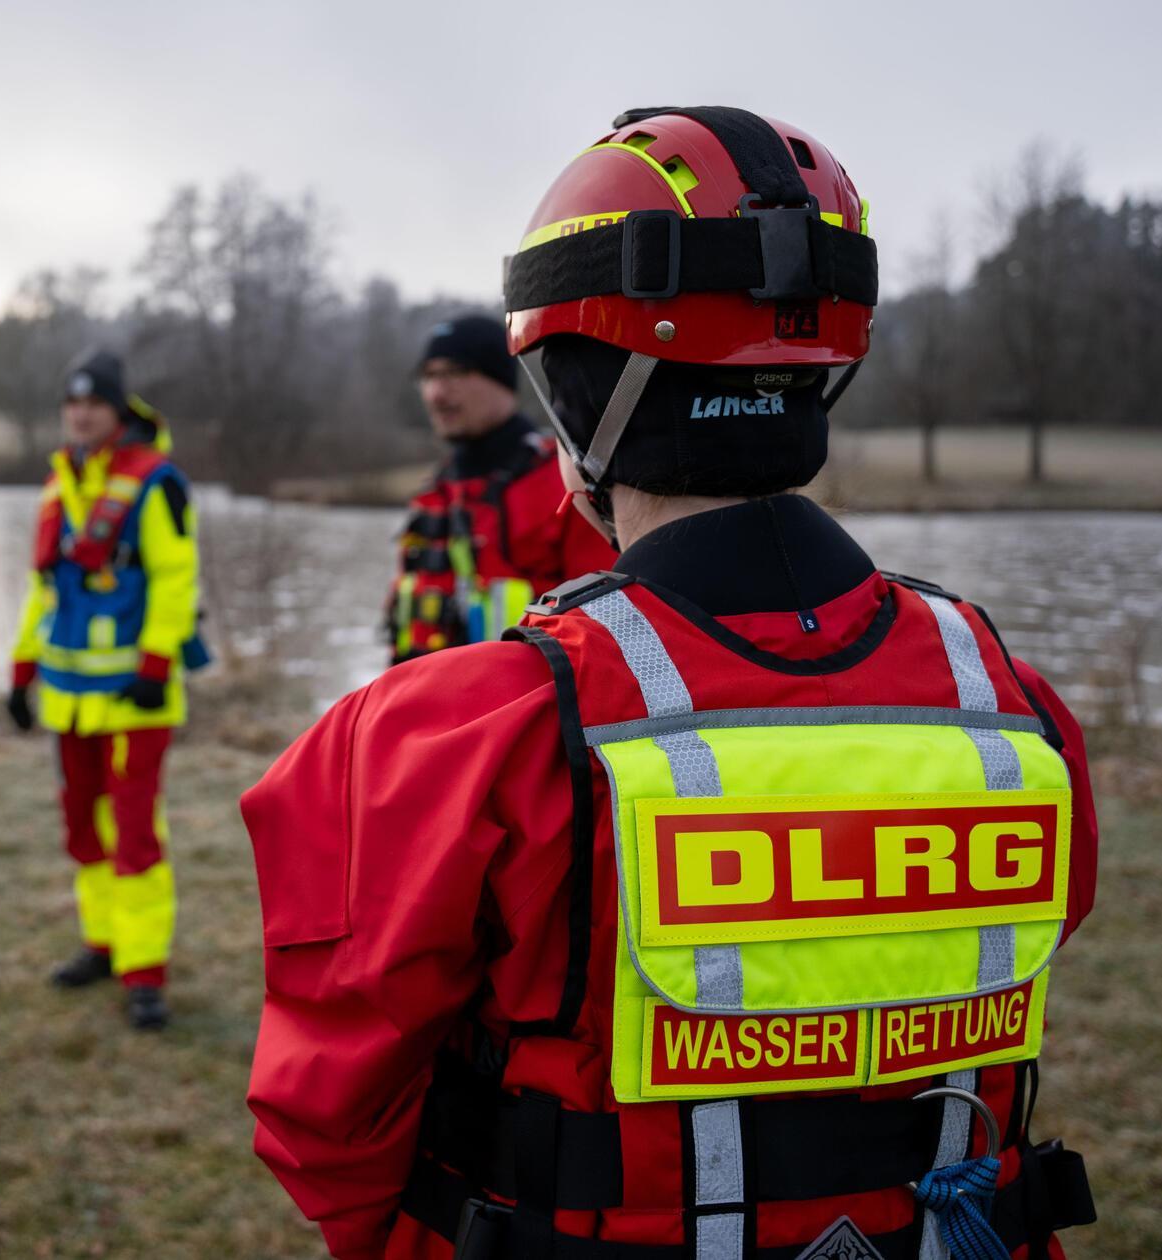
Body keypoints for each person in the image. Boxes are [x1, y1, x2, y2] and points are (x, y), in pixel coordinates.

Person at [243, 107, 1098, 1259]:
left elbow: (326, 1117)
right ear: (826, 376)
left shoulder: (445, 738)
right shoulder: (1012, 708)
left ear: (569, 396)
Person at [8, 349, 205, 1032]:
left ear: (120, 413)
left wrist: (154, 666)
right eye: (73, 403)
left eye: (95, 403)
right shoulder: (58, 484)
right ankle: (104, 943)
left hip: (134, 698)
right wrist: (21, 668)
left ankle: (144, 971)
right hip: (66, 698)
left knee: (134, 833)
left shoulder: (158, 483)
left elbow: (177, 578)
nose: (82, 413)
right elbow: (43, 589)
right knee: (82, 828)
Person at [388, 314, 614, 664]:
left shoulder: (564, 481)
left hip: (520, 710)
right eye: (428, 376)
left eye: (455, 373)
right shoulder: (436, 491)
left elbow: (604, 631)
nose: (436, 392)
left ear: (501, 381)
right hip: (421, 703)